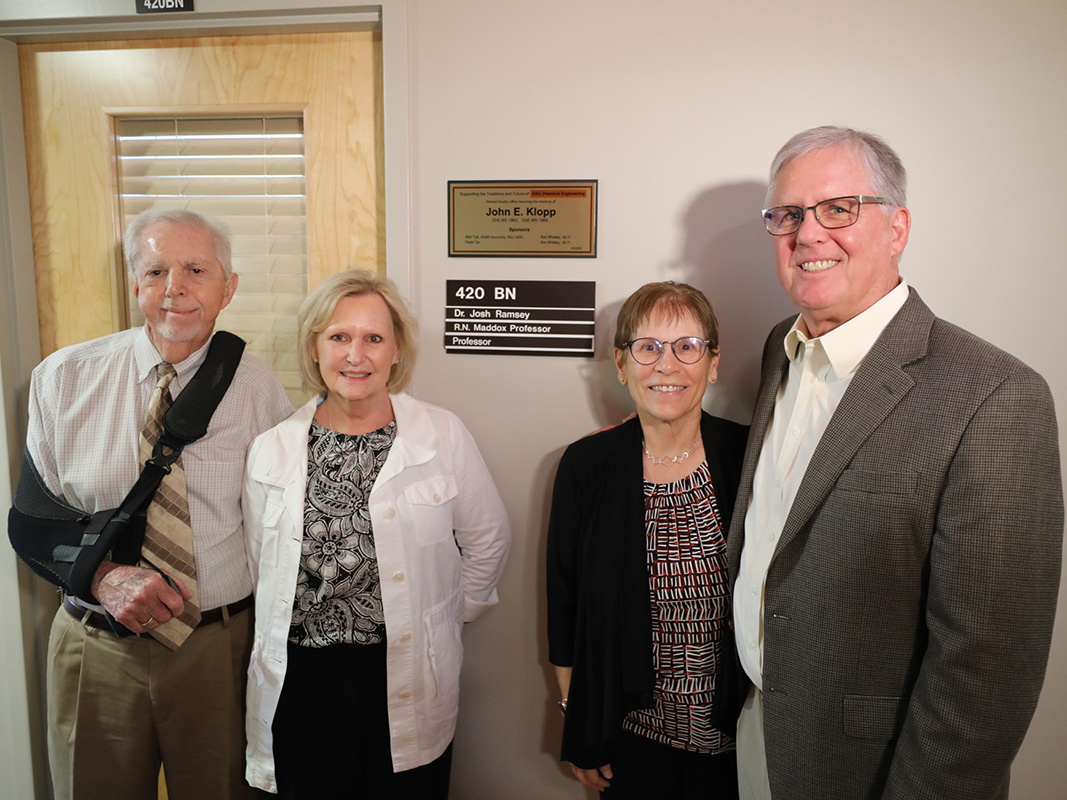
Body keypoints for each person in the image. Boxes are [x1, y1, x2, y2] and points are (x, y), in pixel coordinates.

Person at [729, 126, 1063, 800]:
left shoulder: (995, 396)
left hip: (869, 771)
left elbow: (985, 676)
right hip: (758, 732)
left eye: (838, 209)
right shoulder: (778, 349)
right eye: (787, 215)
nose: (807, 234)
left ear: (897, 229)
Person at [25, 208, 293, 800]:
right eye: (155, 271)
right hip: (93, 648)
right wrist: (104, 575)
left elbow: (285, 529)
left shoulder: (258, 389)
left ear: (228, 288)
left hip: (216, 651)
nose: (175, 288)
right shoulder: (62, 379)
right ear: (135, 284)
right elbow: (32, 521)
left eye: (196, 270)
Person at [243, 268, 511, 798]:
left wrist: (438, 621)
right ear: (315, 347)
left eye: (373, 338)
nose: (355, 355)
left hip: (405, 673)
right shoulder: (271, 449)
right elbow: (259, 568)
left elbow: (489, 540)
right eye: (338, 337)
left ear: (396, 349)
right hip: (302, 681)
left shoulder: (441, 434)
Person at [547, 281, 748, 798]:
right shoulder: (587, 465)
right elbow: (565, 605)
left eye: (687, 347)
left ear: (713, 363)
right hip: (629, 740)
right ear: (621, 364)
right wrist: (578, 718)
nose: (667, 365)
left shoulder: (748, 455)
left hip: (740, 740)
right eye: (648, 347)